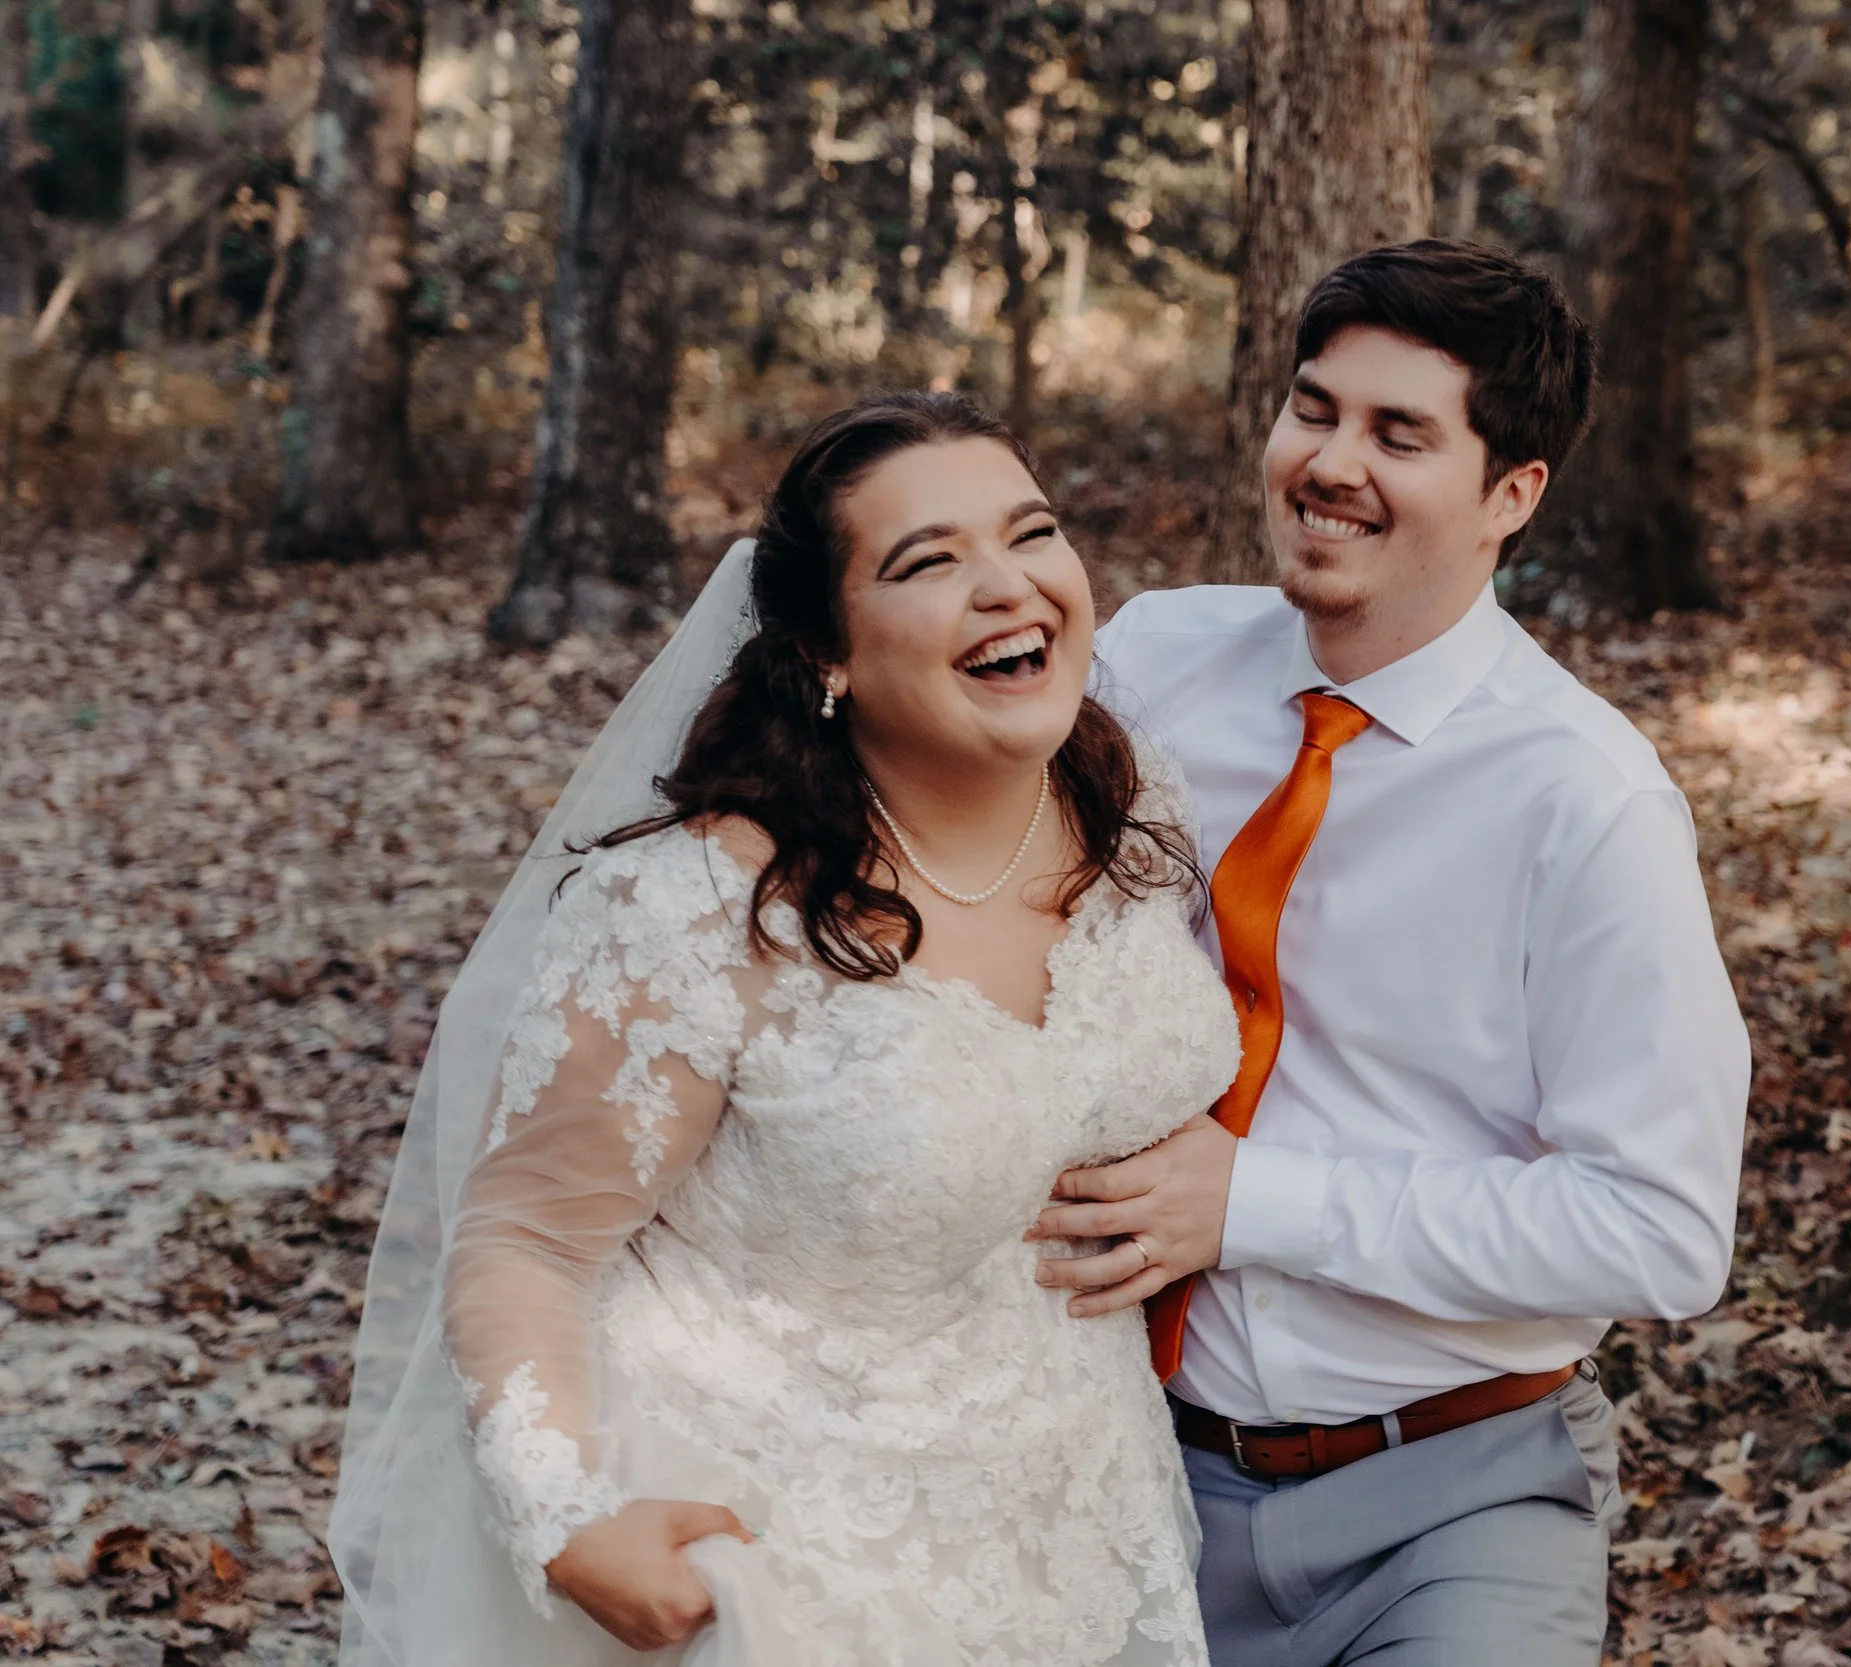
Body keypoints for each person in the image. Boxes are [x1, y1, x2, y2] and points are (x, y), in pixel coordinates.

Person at [330, 392, 1241, 1666]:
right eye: (927, 561)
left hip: (1077, 1536)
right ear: (827, 651)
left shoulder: (1132, 809)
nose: (1008, 585)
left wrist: (1228, 1184)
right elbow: (524, 1238)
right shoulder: (696, 911)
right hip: (784, 1566)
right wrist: (566, 1519)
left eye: (1030, 532)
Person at [1037, 240, 1752, 1665]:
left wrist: (1258, 1202)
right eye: (1314, 409)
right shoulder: (1149, 664)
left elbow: (1662, 1227)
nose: (1330, 462)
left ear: (1511, 494)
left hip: (1456, 1495)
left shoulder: (1587, 800)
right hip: (1119, 1464)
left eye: (1398, 434)